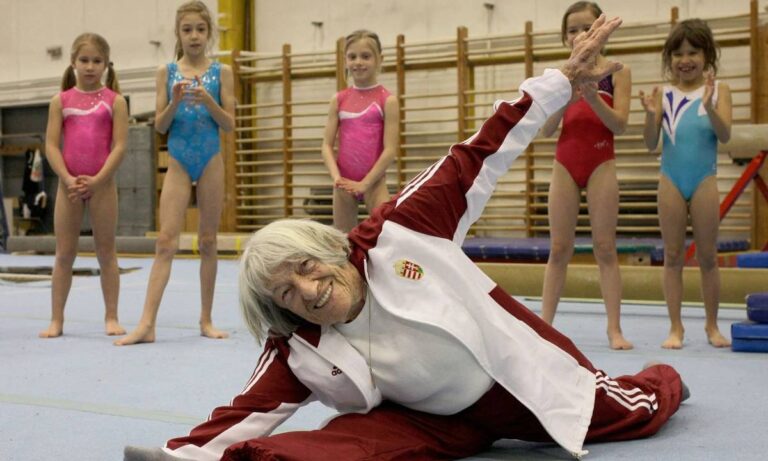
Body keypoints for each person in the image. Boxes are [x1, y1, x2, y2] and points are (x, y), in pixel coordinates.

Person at [124, 16, 687, 461]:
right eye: (287, 294)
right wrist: (185, 454)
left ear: (329, 249)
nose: (307, 290)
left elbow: (479, 150)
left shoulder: (401, 227)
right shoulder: (298, 344)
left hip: (510, 379)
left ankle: (665, 383)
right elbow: (247, 409)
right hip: (425, 420)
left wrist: (560, 82)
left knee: (637, 411)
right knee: (340, 446)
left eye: (303, 266)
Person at [115, 0, 235, 346]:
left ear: (208, 32)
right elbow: (161, 126)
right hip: (180, 159)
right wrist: (176, 101)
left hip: (210, 157)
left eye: (200, 29)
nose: (194, 36)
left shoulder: (221, 72)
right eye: (187, 30)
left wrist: (208, 101)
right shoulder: (165, 73)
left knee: (209, 241)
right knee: (166, 241)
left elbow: (228, 124)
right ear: (178, 34)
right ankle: (147, 323)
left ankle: (206, 319)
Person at [539, 1, 632, 350]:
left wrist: (593, 98)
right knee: (559, 247)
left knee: (605, 248)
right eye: (573, 30)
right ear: (565, 38)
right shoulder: (559, 75)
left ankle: (614, 329)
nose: (580, 35)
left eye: (586, 28)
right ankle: (544, 325)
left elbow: (619, 125)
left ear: (601, 31)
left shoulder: (616, 71)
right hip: (564, 163)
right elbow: (547, 129)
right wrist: (566, 92)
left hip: (601, 163)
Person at [639, 19, 732, 349]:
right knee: (673, 256)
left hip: (705, 179)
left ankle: (712, 325)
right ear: (669, 58)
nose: (685, 59)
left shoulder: (719, 91)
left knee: (708, 256)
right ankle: (675, 328)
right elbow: (651, 143)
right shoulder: (664, 94)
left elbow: (725, 135)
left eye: (693, 52)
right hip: (671, 181)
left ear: (707, 55)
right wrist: (651, 116)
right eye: (678, 54)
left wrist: (709, 106)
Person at [39, 33, 129, 339]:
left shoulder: (114, 101)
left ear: (106, 64)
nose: (90, 67)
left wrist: (99, 179)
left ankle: (112, 315)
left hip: (102, 185)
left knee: (106, 252)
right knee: (64, 254)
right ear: (73, 62)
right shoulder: (60, 101)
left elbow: (119, 146)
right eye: (84, 60)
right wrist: (66, 179)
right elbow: (51, 145)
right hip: (69, 186)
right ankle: (56, 319)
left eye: (97, 61)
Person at [320, 30, 399, 232]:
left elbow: (390, 150)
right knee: (343, 243)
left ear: (380, 59)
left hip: (373, 183)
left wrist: (365, 183)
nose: (358, 62)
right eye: (352, 56)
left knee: (386, 235)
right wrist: (336, 177)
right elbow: (326, 145)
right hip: (343, 183)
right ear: (344, 60)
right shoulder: (339, 99)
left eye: (366, 56)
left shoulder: (387, 100)